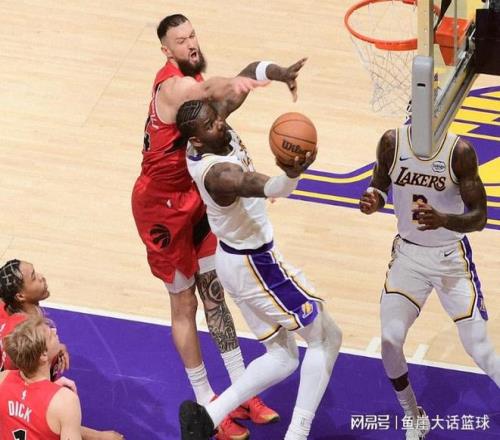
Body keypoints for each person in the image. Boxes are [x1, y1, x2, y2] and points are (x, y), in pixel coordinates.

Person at [131, 13, 307, 438]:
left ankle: (240, 390)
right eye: (181, 41)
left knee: (214, 295)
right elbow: (222, 91)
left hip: (193, 199)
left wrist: (274, 72)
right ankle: (208, 400)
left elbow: (229, 94)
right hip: (160, 207)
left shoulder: (193, 81)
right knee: (184, 304)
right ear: (166, 50)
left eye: (193, 35)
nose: (191, 44)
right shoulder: (175, 88)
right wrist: (248, 80)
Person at [176, 99, 343, 440]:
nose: (220, 123)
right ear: (196, 140)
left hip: (234, 260)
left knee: (283, 357)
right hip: (255, 266)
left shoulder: (208, 132)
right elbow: (269, 187)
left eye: (217, 117)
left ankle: (208, 417)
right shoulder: (220, 175)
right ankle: (297, 434)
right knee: (326, 337)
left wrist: (269, 74)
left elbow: (234, 91)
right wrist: (292, 172)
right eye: (210, 124)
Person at [359, 125, 500, 439]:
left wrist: (444, 219)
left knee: (478, 347)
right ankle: (413, 415)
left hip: (451, 259)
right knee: (390, 340)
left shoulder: (459, 152)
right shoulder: (392, 142)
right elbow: (379, 185)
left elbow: (480, 217)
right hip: (408, 257)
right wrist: (373, 200)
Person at [0, 259, 124, 440]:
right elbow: (36, 412)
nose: (41, 277)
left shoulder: (22, 330)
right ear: (20, 296)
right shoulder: (20, 345)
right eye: (33, 277)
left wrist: (56, 352)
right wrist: (99, 436)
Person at [0, 315, 84, 439]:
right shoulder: (65, 401)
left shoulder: (3, 378)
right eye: (51, 335)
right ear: (43, 355)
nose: (55, 331)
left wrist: (51, 392)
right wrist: (57, 396)